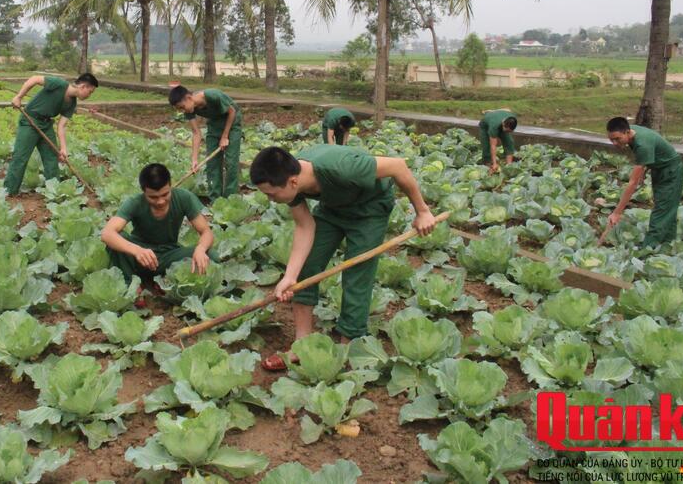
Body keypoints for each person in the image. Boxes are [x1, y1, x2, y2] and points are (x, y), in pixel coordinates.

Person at [249, 145, 438, 370]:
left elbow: (398, 166)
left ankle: (348, 348)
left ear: (293, 182)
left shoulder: (343, 168)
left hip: (369, 209)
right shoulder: (290, 180)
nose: (270, 199)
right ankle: (301, 344)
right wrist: (290, 276)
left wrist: (422, 211)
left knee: (357, 274)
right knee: (305, 267)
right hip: (333, 208)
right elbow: (304, 226)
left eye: (271, 194)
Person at [101, 163, 217, 306]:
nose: (161, 201)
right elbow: (107, 233)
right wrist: (137, 250)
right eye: (153, 197)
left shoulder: (183, 197)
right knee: (117, 239)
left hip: (168, 255)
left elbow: (206, 232)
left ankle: (165, 279)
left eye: (165, 194)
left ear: (170, 186)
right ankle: (131, 284)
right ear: (144, 191)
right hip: (139, 258)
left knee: (211, 256)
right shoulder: (135, 202)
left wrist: (201, 249)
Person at [3, 73, 99, 194]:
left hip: (46, 125)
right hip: (30, 121)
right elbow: (34, 79)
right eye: (90, 92)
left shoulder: (72, 103)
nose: (89, 95)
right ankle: (9, 191)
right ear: (83, 86)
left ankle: (54, 191)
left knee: (51, 157)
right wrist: (19, 97)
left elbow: (61, 126)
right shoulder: (59, 84)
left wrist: (63, 148)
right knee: (20, 157)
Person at [603, 116, 683, 249]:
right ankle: (668, 243)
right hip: (659, 168)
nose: (615, 143)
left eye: (617, 139)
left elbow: (632, 183)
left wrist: (617, 212)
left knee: (662, 209)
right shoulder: (632, 132)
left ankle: (648, 249)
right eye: (611, 140)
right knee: (667, 207)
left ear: (627, 132)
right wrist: (643, 171)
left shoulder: (642, 145)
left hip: (671, 172)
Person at [169, 85, 242, 198]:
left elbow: (232, 112)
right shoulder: (189, 109)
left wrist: (225, 136)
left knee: (231, 162)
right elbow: (196, 133)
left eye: (182, 107)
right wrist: (194, 159)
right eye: (179, 109)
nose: (182, 111)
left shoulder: (213, 95)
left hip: (232, 124)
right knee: (212, 163)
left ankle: (231, 197)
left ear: (189, 98)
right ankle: (215, 198)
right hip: (214, 125)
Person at [479, 108, 519, 173]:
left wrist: (494, 111)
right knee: (486, 146)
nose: (508, 132)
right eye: (507, 130)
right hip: (485, 126)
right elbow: (493, 146)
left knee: (509, 142)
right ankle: (488, 164)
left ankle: (509, 165)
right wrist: (494, 163)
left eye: (509, 131)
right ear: (503, 123)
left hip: (497, 120)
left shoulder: (512, 119)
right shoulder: (494, 126)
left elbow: (507, 109)